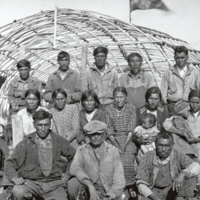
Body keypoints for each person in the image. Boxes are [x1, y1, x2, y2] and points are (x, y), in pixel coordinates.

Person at [5, 109, 76, 200]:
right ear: (34, 125)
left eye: (46, 125)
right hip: (32, 184)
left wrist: (67, 173)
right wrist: (14, 177)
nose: (43, 129)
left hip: (54, 185)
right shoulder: (27, 142)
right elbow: (10, 162)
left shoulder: (58, 140)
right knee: (18, 191)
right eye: (40, 125)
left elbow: (74, 156)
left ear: (50, 125)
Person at [68, 120, 125, 200]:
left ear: (104, 134)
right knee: (72, 183)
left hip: (108, 191)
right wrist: (89, 185)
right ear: (88, 135)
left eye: (98, 134)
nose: (95, 137)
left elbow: (119, 177)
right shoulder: (81, 150)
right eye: (92, 134)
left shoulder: (113, 150)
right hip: (88, 192)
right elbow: (74, 168)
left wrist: (113, 193)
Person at [136, 131, 200, 200]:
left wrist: (183, 173)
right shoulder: (147, 156)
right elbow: (141, 183)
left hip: (172, 191)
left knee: (191, 178)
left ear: (172, 145)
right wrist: (155, 198)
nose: (163, 149)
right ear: (155, 144)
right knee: (142, 197)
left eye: (166, 146)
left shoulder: (177, 154)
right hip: (153, 192)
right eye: (160, 145)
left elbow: (196, 166)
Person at [106, 86, 137, 195]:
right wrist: (116, 146)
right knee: (113, 158)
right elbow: (108, 130)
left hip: (128, 138)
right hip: (113, 138)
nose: (119, 100)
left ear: (126, 97)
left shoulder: (131, 108)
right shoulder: (108, 109)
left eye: (121, 97)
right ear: (113, 98)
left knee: (127, 159)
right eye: (116, 97)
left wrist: (124, 146)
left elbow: (131, 129)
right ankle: (115, 186)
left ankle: (130, 185)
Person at [161, 45, 200, 116]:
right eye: (178, 58)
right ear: (174, 58)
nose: (180, 60)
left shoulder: (194, 72)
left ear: (187, 57)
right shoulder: (168, 72)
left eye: (182, 58)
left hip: (190, 107)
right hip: (172, 107)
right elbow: (163, 93)